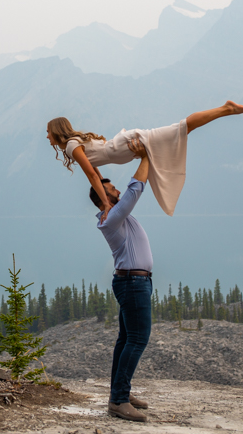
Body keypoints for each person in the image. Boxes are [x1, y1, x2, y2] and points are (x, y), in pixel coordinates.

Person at [47, 101, 243, 221]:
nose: (47, 136)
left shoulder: (72, 146)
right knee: (180, 131)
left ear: (57, 132)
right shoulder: (72, 146)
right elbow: (97, 176)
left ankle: (226, 109)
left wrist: (108, 206)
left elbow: (92, 175)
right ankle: (225, 109)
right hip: (124, 149)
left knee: (181, 129)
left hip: (125, 145)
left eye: (48, 132)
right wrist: (105, 202)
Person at [94, 138, 154, 422]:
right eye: (110, 189)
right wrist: (147, 156)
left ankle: (120, 392)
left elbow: (127, 192)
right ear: (104, 198)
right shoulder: (112, 218)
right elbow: (134, 190)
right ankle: (118, 400)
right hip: (132, 284)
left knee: (126, 339)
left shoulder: (114, 216)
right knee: (138, 338)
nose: (116, 189)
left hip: (133, 282)